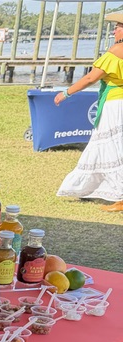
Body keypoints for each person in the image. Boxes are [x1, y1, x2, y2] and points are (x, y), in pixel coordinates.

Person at [55, 11, 123, 211]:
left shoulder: (116, 51)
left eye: (118, 27)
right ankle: (89, 189)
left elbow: (90, 78)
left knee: (112, 147)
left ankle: (120, 195)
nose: (114, 31)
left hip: (115, 104)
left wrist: (66, 93)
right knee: (105, 146)